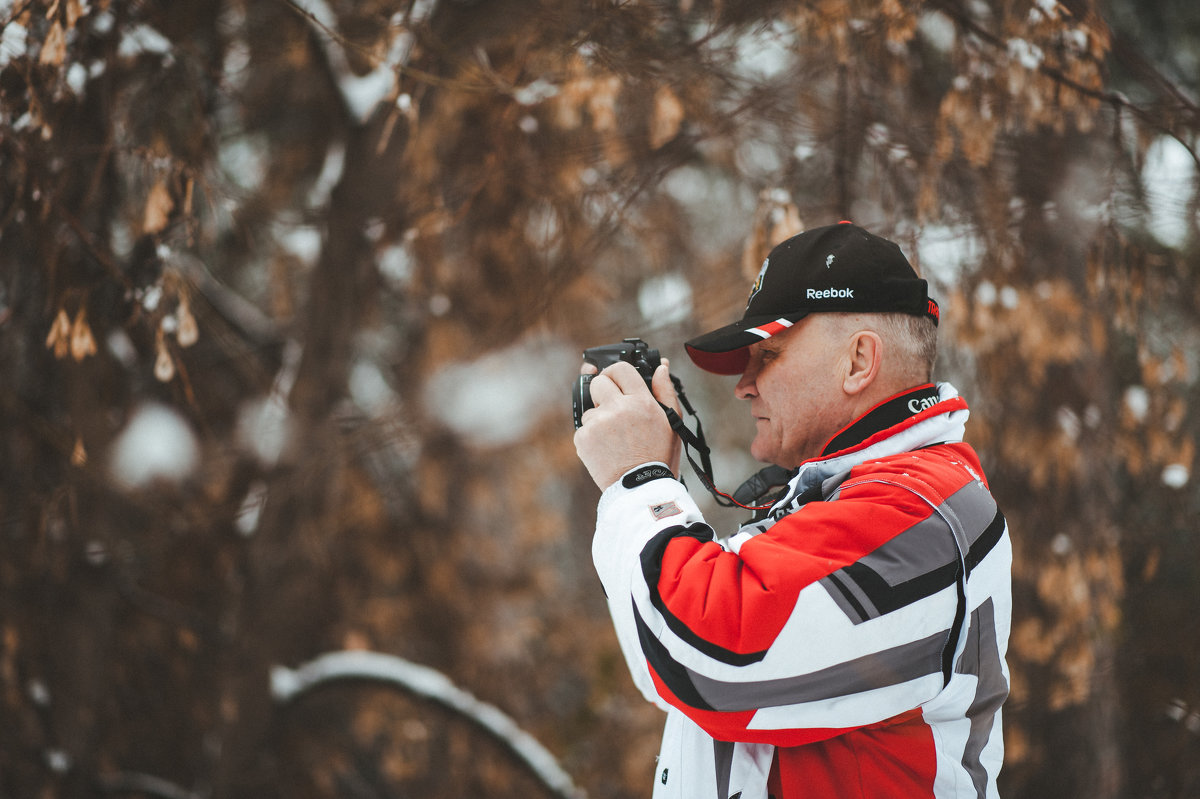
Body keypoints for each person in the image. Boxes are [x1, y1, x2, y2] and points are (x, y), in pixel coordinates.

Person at [573, 221, 1011, 799]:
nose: (743, 386)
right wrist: (654, 476)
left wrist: (640, 480)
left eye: (768, 354)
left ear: (858, 361)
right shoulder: (837, 502)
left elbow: (709, 660)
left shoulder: (922, 510)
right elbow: (684, 641)